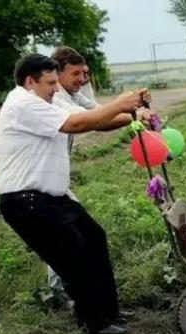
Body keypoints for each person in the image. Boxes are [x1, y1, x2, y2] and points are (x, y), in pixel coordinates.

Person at [0, 53, 148, 334]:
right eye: (51, 82)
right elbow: (76, 124)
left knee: (93, 238)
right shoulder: (23, 102)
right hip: (25, 200)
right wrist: (120, 104)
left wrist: (132, 112)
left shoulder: (43, 101)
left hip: (51, 197)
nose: (56, 88)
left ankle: (108, 311)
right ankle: (94, 322)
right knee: (74, 256)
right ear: (30, 81)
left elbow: (93, 120)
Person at [47, 46, 150, 306]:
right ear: (57, 73)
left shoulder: (73, 94)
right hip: (41, 181)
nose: (82, 79)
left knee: (74, 235)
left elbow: (101, 114)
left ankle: (66, 290)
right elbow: (88, 121)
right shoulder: (55, 99)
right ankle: (64, 293)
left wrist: (136, 110)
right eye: (76, 73)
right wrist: (125, 109)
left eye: (85, 73)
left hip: (57, 179)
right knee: (69, 236)